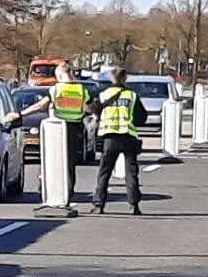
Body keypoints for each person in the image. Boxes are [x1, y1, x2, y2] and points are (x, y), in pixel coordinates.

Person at [15, 63, 88, 203]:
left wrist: (21, 114)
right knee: (69, 163)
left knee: (53, 160)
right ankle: (68, 193)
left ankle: (49, 190)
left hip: (58, 128)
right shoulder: (81, 90)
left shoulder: (56, 90)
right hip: (74, 129)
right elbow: (90, 107)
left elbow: (40, 105)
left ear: (59, 75)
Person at [91, 67, 148, 215]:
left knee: (104, 172)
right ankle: (134, 205)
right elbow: (142, 117)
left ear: (112, 78)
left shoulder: (104, 95)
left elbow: (95, 111)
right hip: (128, 136)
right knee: (131, 172)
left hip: (109, 137)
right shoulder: (132, 96)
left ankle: (99, 204)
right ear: (125, 78)